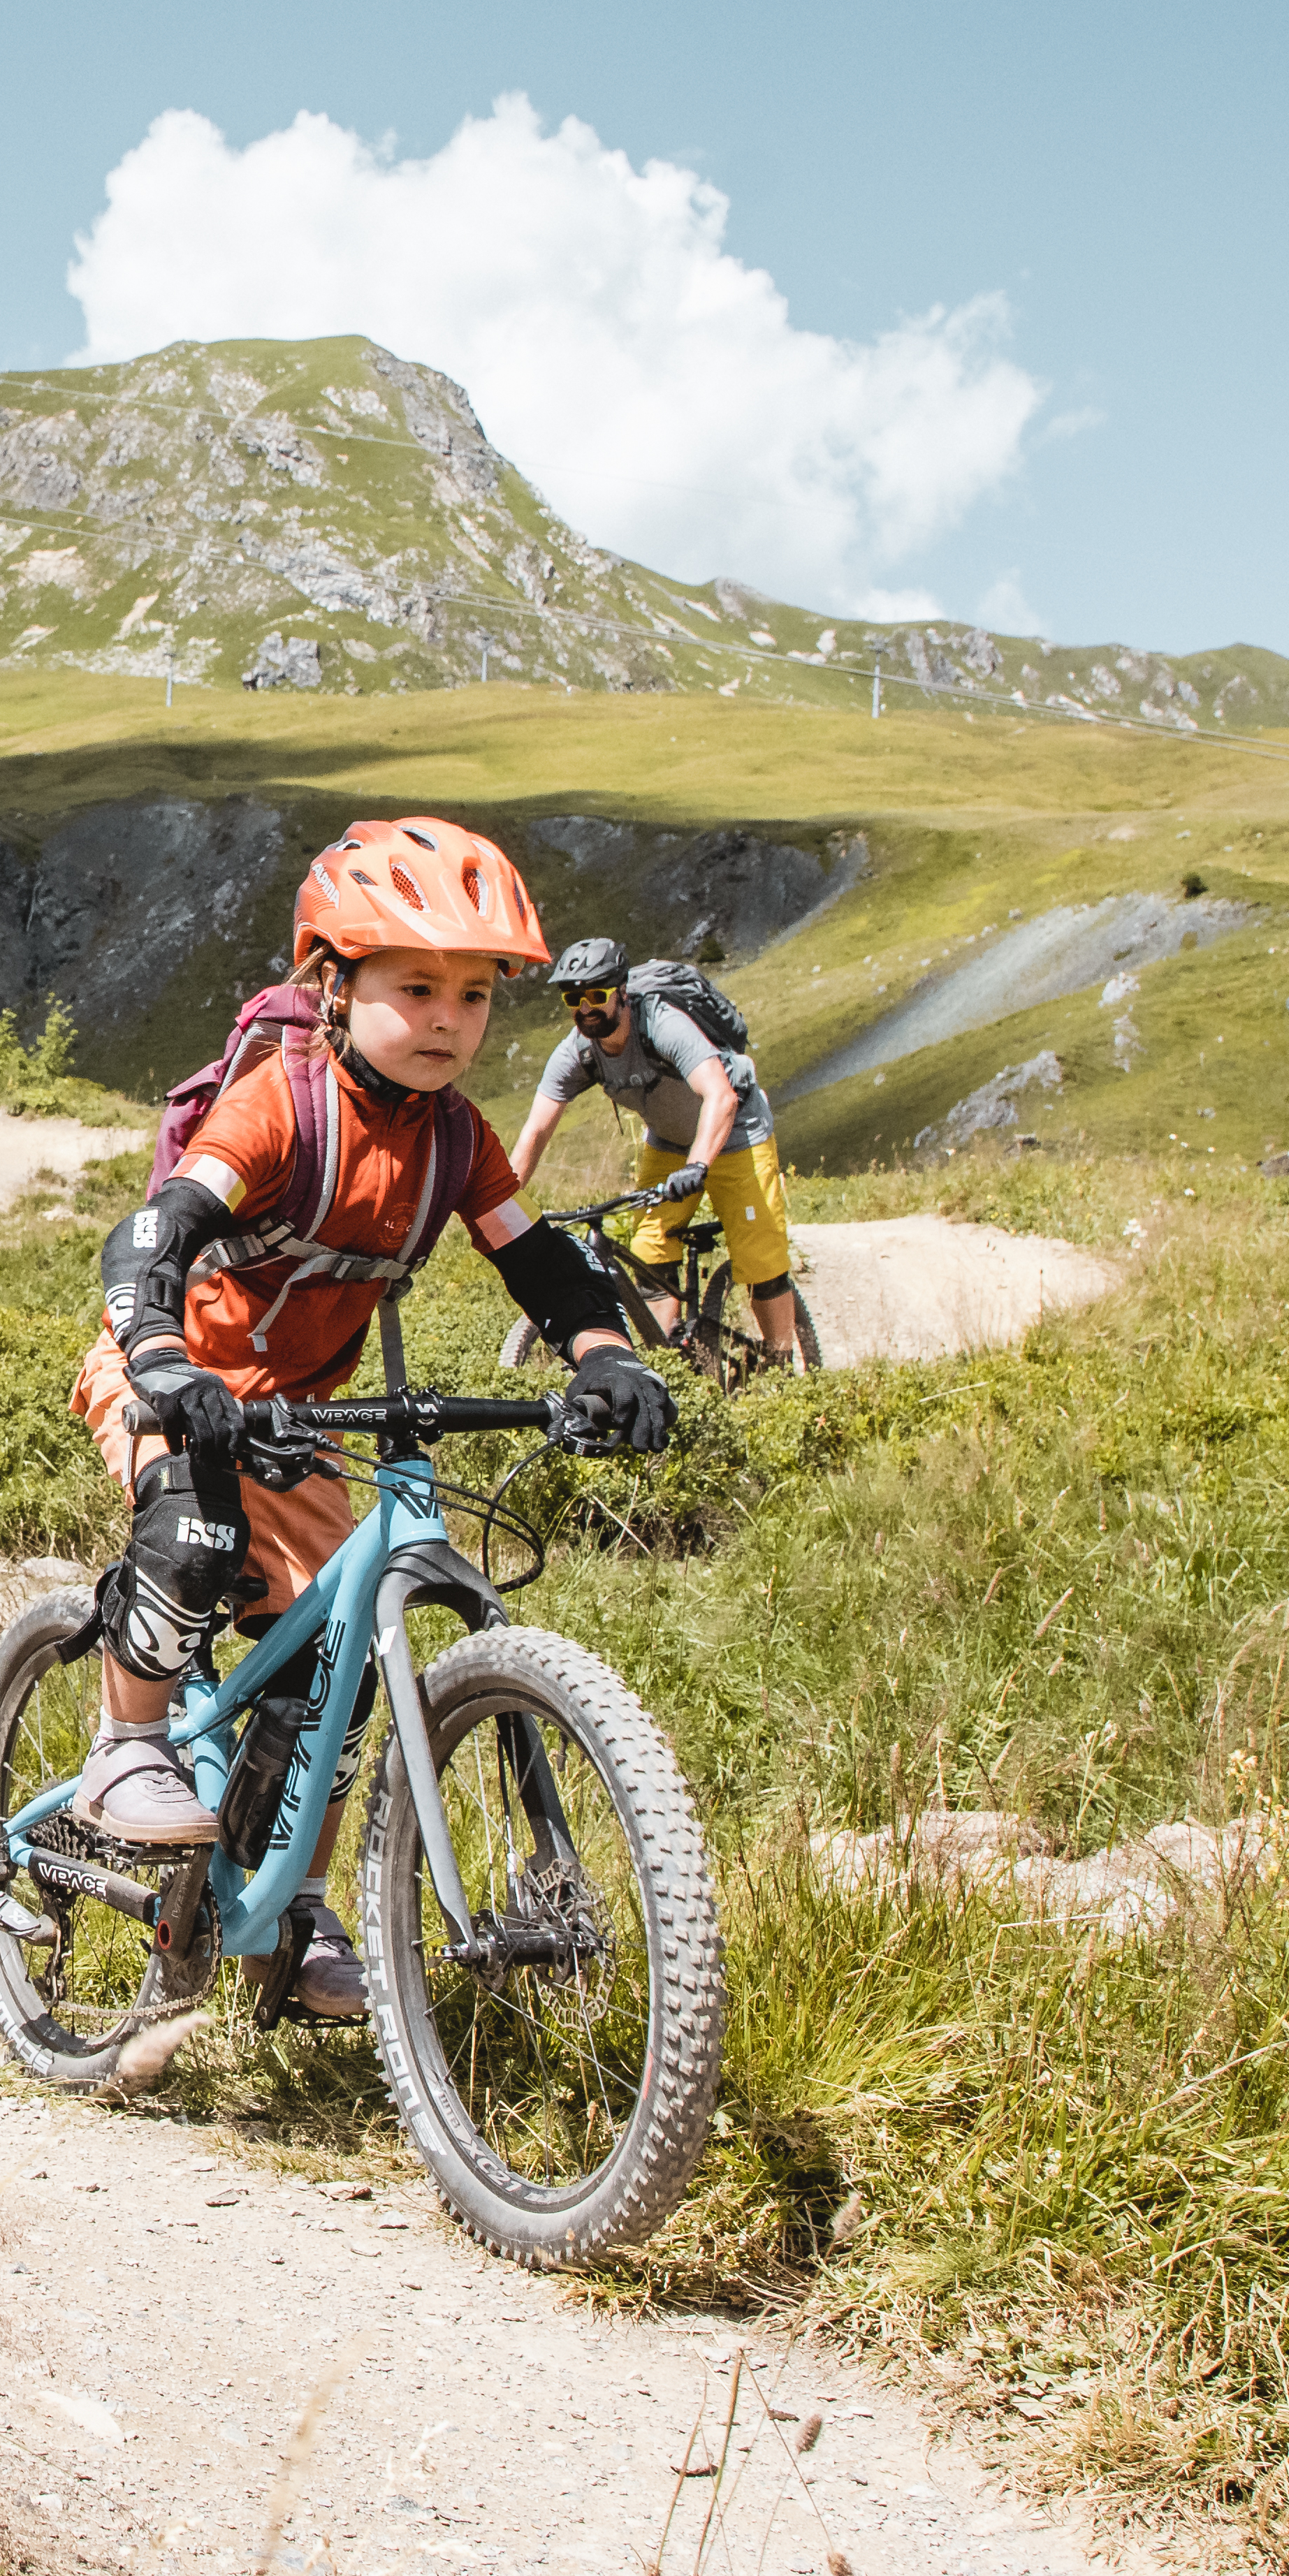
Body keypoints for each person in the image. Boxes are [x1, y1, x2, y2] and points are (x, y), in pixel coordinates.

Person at [73, 819, 675, 2019]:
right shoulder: (279, 1107)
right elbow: (153, 1236)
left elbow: (539, 1260)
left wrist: (606, 1351)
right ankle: (124, 1749)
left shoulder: (457, 1138)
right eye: (416, 987)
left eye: (472, 993)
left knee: (331, 1679)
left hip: (298, 1415)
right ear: (334, 985)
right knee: (190, 1538)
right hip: (169, 1366)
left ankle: (285, 1909)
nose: (449, 1017)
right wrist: (159, 1358)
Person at [506, 936, 806, 1367]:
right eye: (574, 997)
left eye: (597, 994)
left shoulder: (664, 1026)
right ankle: (669, 1364)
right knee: (650, 1250)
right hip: (668, 1143)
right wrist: (502, 1201)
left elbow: (721, 1097)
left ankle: (783, 1365)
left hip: (736, 1135)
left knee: (759, 1257)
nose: (585, 1007)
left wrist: (699, 1164)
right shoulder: (577, 1052)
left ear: (622, 992)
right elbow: (535, 1130)